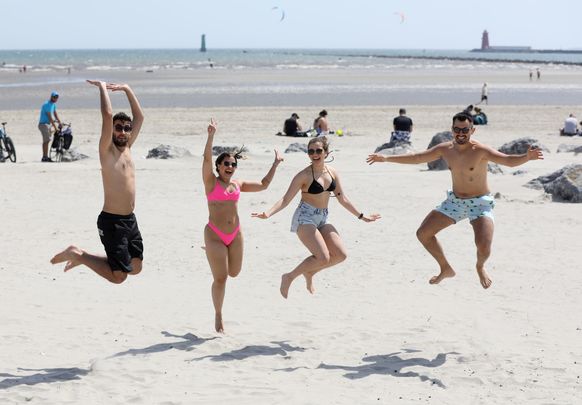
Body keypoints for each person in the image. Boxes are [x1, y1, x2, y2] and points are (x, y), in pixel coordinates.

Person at [366, 111, 543, 289]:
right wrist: (387, 158)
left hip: (479, 203)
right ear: (452, 130)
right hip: (455, 202)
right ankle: (445, 268)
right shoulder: (445, 149)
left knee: (483, 247)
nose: (460, 133)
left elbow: (508, 160)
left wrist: (526, 157)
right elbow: (418, 158)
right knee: (423, 234)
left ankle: (480, 266)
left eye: (465, 130)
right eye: (457, 129)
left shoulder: (480, 150)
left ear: (472, 130)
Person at [252, 136, 380, 299]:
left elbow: (342, 199)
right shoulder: (303, 175)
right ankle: (289, 277)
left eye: (319, 150)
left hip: (322, 218)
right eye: (311, 151)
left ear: (326, 152)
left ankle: (310, 272)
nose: (314, 154)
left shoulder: (332, 172)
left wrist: (362, 216)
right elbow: (285, 199)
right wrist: (268, 213)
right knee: (323, 257)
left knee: (340, 255)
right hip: (304, 218)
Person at [51, 81, 145, 284]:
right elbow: (107, 115)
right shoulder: (107, 150)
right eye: (118, 128)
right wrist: (103, 87)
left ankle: (84, 258)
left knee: (135, 267)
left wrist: (127, 89)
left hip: (130, 219)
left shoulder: (128, 147)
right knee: (119, 277)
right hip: (111, 221)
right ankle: (79, 255)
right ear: (111, 130)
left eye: (126, 128)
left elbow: (140, 117)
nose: (122, 131)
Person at [203, 119, 283, 333]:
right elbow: (205, 159)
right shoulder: (211, 182)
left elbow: (264, 185)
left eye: (233, 164)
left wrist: (275, 164)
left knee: (235, 272)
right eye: (226, 164)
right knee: (221, 278)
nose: (230, 167)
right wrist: (211, 136)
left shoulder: (238, 184)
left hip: (235, 234)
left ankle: (214, 256)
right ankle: (218, 316)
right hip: (214, 235)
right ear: (218, 166)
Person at [38, 91, 62, 162]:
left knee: (47, 140)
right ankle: (44, 157)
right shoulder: (47, 104)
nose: (55, 98)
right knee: (46, 140)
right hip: (43, 124)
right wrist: (55, 127)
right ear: (51, 97)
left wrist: (60, 122)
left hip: (48, 124)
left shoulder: (53, 105)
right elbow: (50, 117)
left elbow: (55, 114)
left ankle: (45, 156)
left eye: (57, 97)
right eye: (54, 97)